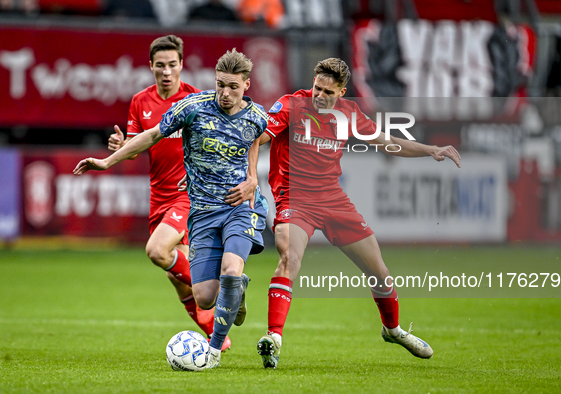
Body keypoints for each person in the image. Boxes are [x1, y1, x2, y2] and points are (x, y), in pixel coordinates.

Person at [255, 58, 462, 369]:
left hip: (334, 200)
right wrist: (245, 174)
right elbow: (259, 137)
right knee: (289, 257)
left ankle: (392, 330)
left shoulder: (349, 113)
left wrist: (430, 150)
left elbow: (388, 143)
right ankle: (274, 338)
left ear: (342, 92)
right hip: (294, 197)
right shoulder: (290, 106)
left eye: (328, 91)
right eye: (316, 88)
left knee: (379, 272)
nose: (320, 96)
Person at [77, 48, 268, 367]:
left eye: (233, 87)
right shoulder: (193, 107)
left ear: (246, 85)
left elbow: (256, 138)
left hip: (240, 206)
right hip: (203, 211)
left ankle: (214, 352)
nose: (225, 92)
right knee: (205, 296)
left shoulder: (257, 115)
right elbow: (152, 135)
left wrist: (252, 179)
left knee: (231, 268)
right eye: (220, 84)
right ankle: (236, 292)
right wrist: (107, 161)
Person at [106, 35, 233, 351]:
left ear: (181, 65)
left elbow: (218, 143)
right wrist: (122, 148)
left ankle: (226, 290)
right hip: (159, 197)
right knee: (175, 276)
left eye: (172, 65)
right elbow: (137, 148)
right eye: (159, 65)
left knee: (157, 251)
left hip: (189, 194)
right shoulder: (140, 102)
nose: (166, 71)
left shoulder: (195, 99)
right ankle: (219, 338)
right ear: (151, 66)